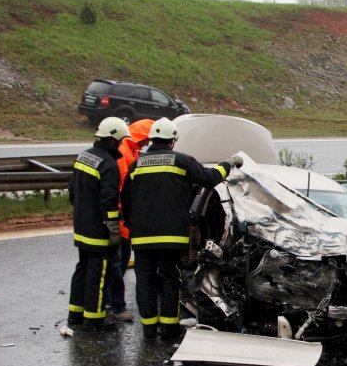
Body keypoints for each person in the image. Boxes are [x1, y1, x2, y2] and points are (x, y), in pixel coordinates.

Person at [121, 117, 229, 340]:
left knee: (145, 280)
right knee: (170, 279)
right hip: (171, 236)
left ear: (151, 140)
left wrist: (132, 226)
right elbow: (209, 178)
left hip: (141, 237)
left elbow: (126, 199)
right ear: (172, 141)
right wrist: (227, 166)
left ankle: (149, 329)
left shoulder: (136, 165)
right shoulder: (181, 161)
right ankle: (169, 329)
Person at [68, 117, 129, 332]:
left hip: (81, 226)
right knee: (99, 273)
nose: (121, 145)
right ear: (113, 140)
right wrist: (113, 231)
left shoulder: (84, 156)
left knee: (82, 269)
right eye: (121, 141)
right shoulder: (109, 164)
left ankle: (75, 313)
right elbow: (109, 203)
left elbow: (73, 192)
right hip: (98, 230)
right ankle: (94, 318)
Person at [105, 118, 154, 322]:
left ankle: (108, 301)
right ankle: (116, 305)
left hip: (122, 218)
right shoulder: (125, 151)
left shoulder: (131, 149)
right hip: (120, 219)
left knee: (117, 263)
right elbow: (120, 187)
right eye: (146, 140)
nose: (146, 145)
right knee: (118, 263)